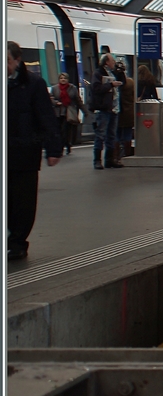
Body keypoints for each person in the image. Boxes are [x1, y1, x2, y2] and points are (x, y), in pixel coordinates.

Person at [8, 42, 63, 260]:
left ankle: (18, 242)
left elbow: (46, 117)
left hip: (25, 152)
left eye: (7, 61)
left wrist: (54, 149)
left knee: (23, 201)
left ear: (17, 60)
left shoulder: (33, 84)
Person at [90, 53, 124, 170]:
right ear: (106, 62)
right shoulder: (98, 73)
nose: (114, 63)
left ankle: (109, 160)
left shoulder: (113, 73)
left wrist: (121, 72)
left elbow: (122, 83)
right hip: (103, 108)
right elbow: (96, 88)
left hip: (114, 108)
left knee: (111, 135)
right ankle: (97, 160)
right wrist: (111, 85)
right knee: (101, 134)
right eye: (112, 61)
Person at [51, 72, 85, 154]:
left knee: (65, 130)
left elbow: (78, 100)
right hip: (58, 112)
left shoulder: (72, 88)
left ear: (67, 80)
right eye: (61, 78)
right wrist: (56, 102)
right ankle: (67, 144)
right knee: (59, 131)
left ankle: (62, 147)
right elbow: (50, 98)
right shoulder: (55, 88)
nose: (63, 80)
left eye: (65, 78)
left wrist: (84, 111)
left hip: (68, 112)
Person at [117, 61, 136, 161]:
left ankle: (116, 155)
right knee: (127, 134)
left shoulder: (114, 83)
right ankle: (127, 154)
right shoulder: (130, 83)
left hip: (117, 112)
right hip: (128, 112)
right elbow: (134, 97)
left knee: (117, 134)